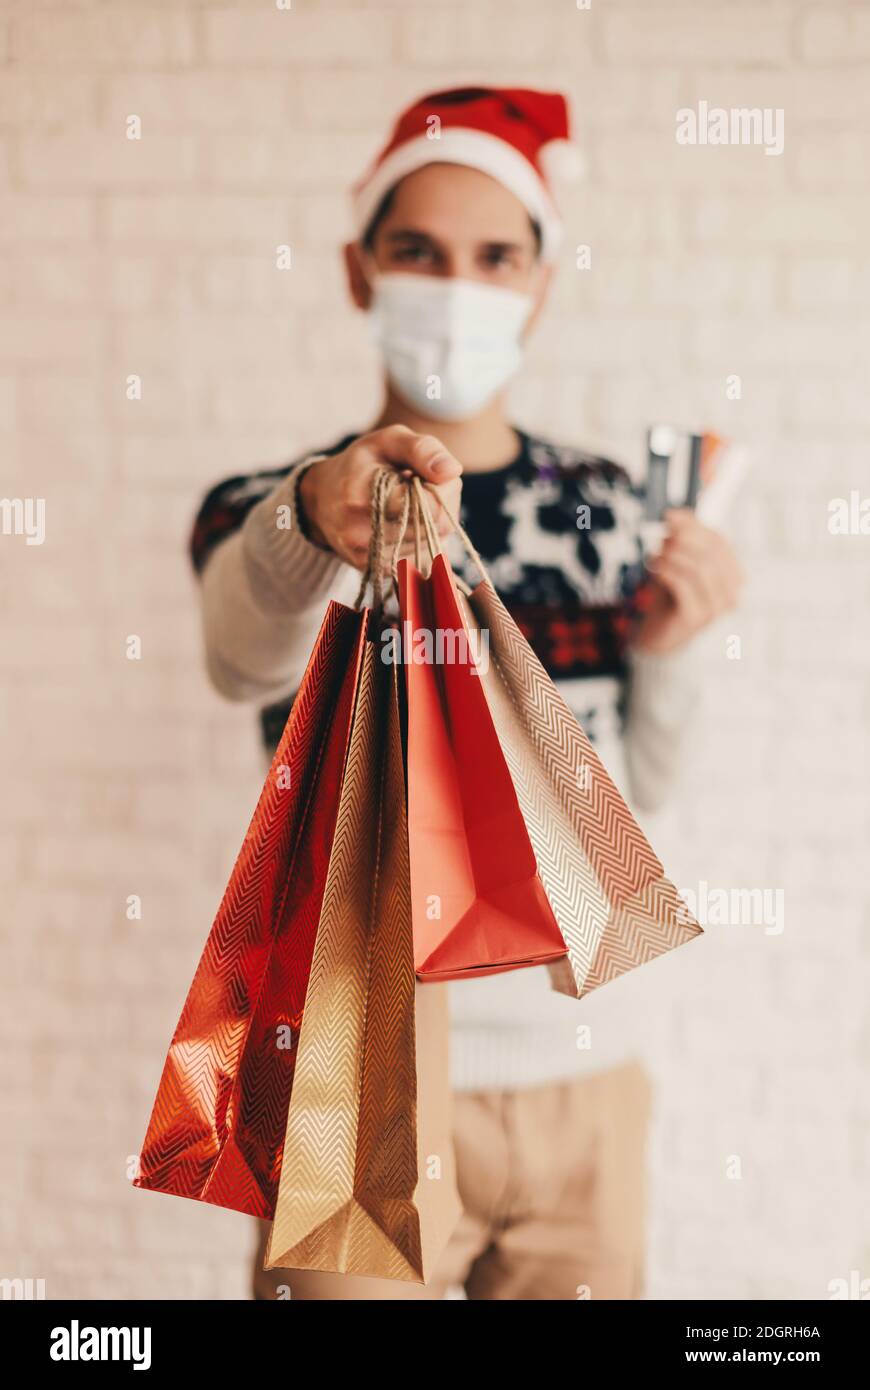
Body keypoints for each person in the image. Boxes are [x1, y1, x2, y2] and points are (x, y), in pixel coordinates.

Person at [190, 87, 743, 1301]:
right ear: (357, 270)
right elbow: (241, 658)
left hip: (584, 1070)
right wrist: (309, 519)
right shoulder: (275, 503)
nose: (459, 285)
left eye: (497, 256)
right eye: (418, 252)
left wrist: (675, 645)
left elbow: (649, 791)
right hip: (358, 1063)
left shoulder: (608, 516)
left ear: (543, 282)